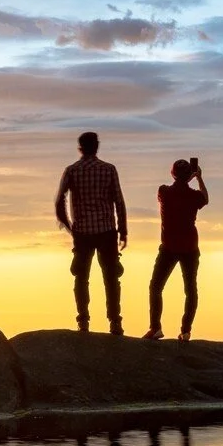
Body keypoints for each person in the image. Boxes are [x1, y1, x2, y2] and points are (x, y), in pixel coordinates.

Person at [54, 131, 129, 334]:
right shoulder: (109, 169)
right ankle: (115, 322)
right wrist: (123, 230)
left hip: (83, 233)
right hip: (106, 231)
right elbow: (118, 201)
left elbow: (59, 201)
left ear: (80, 148)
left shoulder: (72, 171)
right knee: (111, 278)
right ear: (97, 146)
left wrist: (70, 226)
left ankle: (83, 321)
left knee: (81, 277)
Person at [143, 157, 208, 341]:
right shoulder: (194, 196)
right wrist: (199, 178)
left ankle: (155, 328)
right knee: (190, 290)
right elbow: (205, 198)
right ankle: (186, 331)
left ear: (172, 174)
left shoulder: (163, 192)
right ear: (190, 175)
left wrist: (188, 178)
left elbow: (178, 189)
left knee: (156, 287)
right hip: (190, 247)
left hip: (169, 247)